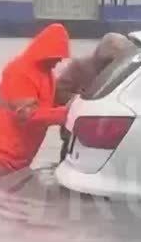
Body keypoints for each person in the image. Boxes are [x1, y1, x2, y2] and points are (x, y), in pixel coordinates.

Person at [0, 23, 70, 182]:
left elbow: (47, 108)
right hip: (0, 160)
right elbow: (28, 115)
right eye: (56, 56)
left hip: (20, 161)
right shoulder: (20, 71)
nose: (59, 61)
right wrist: (67, 114)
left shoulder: (47, 75)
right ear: (46, 52)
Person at [56, 32, 134, 161]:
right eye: (108, 60)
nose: (110, 64)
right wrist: (79, 100)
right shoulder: (79, 66)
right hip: (75, 134)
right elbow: (59, 92)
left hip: (109, 136)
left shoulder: (123, 69)